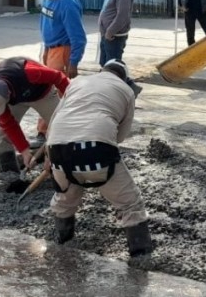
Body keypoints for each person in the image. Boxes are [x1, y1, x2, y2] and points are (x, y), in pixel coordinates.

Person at [44, 59, 152, 257]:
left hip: (57, 150)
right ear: (124, 77)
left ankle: (61, 243)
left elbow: (54, 119)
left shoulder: (76, 82)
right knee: (130, 204)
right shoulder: (126, 90)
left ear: (102, 70)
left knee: (65, 199)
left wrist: (48, 156)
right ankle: (141, 258)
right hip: (96, 152)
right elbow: (119, 136)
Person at [0, 57, 70, 172]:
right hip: (16, 100)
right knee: (1, 132)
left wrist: (70, 101)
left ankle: (66, 166)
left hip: (42, 94)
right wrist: (24, 151)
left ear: (8, 93)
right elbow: (8, 123)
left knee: (62, 127)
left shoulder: (30, 73)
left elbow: (59, 78)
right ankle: (10, 173)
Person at [37, 0, 87, 146]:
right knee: (52, 92)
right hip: (50, 50)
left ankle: (48, 132)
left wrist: (73, 62)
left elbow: (79, 37)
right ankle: (51, 130)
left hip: (62, 51)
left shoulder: (67, 2)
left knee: (51, 92)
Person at [98, 0, 134, 67]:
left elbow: (122, 17)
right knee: (105, 65)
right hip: (107, 36)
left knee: (112, 67)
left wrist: (109, 32)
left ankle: (124, 82)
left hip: (114, 37)